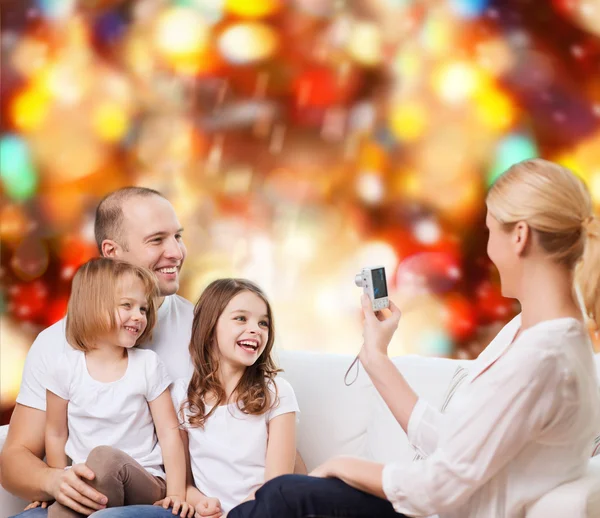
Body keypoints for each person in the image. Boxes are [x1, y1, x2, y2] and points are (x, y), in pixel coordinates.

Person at [228, 158, 600, 518]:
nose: (488, 250)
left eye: (490, 232)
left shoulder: (544, 357)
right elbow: (457, 446)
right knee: (283, 494)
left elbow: (439, 486)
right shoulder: (533, 336)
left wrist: (342, 465)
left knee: (286, 493)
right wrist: (376, 355)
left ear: (519, 236)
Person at [2, 187, 193, 518]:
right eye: (157, 240)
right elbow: (16, 457)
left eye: (178, 236)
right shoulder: (55, 346)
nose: (176, 251)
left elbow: (261, 418)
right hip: (85, 495)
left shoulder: (205, 329)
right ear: (112, 252)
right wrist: (54, 480)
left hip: (158, 497)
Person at [25, 258, 190, 517]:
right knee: (92, 471)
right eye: (127, 305)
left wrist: (177, 494)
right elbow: (55, 434)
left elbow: (170, 434)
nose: (139, 316)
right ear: (93, 307)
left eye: (144, 309)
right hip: (90, 481)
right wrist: (59, 487)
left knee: (104, 458)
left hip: (145, 482)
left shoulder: (147, 365)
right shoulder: (64, 369)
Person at [172, 279, 299, 518]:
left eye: (263, 323)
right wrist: (202, 504)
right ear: (209, 329)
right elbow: (182, 483)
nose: (256, 329)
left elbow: (276, 486)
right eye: (241, 318)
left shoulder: (277, 393)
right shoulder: (182, 395)